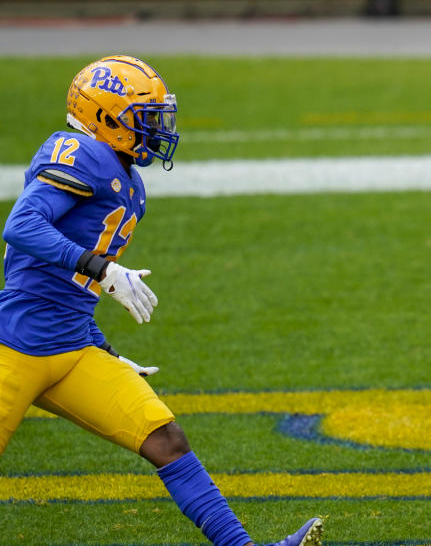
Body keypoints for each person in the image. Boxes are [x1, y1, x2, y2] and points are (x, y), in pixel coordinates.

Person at [0, 55, 324, 546]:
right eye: (143, 117)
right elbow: (21, 227)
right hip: (14, 346)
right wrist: (101, 266)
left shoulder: (129, 182)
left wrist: (101, 347)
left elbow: (68, 290)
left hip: (70, 348)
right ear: (105, 117)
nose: (154, 128)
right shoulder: (78, 151)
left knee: (166, 439)